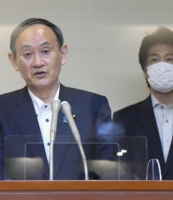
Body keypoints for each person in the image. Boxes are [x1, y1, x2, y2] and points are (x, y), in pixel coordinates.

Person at [0, 18, 118, 180]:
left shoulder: (94, 106)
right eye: (28, 54)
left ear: (62, 54)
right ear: (14, 61)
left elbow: (109, 171)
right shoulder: (2, 110)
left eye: (46, 51)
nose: (38, 62)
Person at [113, 27, 173, 180]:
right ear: (145, 71)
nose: (161, 66)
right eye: (154, 59)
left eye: (169, 59)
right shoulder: (125, 118)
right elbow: (121, 171)